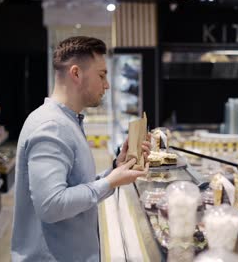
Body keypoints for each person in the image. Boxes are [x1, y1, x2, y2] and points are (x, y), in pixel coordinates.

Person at [11, 36, 150, 261]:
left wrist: (116, 168)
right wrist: (111, 181)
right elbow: (51, 205)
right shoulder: (52, 126)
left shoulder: (67, 121)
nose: (107, 84)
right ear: (76, 73)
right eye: (102, 75)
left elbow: (73, 186)